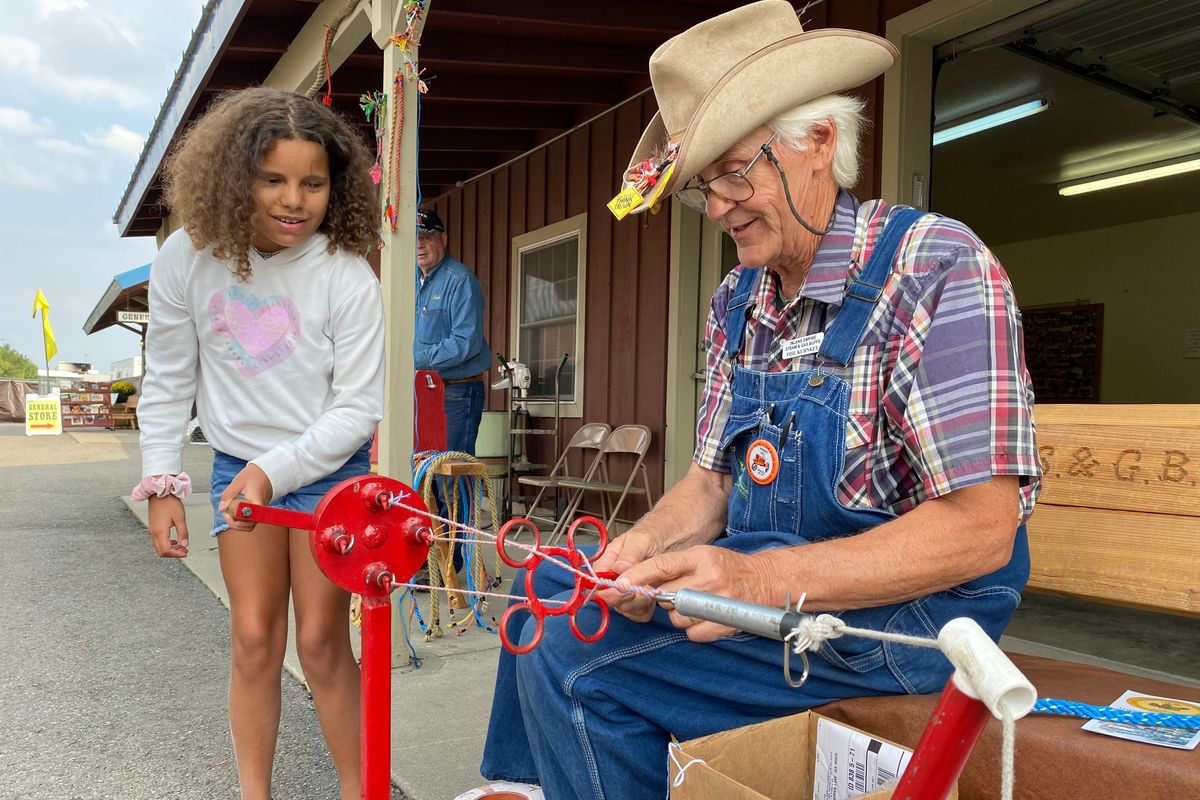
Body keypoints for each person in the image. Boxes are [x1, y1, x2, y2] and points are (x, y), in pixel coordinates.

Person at [466, 3, 1042, 799]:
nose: (722, 204)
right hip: (778, 582)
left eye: (738, 170)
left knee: (572, 659)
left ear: (821, 140)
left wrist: (758, 585)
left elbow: (981, 531)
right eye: (706, 186)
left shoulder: (938, 267)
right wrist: (634, 555)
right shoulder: (740, 298)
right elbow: (711, 483)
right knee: (553, 600)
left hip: (912, 622)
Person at [131, 87, 384, 800]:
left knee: (322, 642)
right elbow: (170, 379)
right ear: (232, 175)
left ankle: (358, 791)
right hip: (239, 466)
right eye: (273, 179)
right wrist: (161, 484)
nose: (294, 200)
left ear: (335, 188)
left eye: (313, 182)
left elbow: (359, 408)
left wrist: (277, 471)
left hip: (328, 469)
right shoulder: (186, 256)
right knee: (252, 637)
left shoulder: (345, 273)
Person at [414, 208, 491, 455]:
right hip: (425, 391)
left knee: (453, 473)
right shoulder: (412, 281)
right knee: (425, 470)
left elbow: (466, 341)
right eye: (415, 238)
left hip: (458, 391)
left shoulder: (460, 280)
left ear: (443, 240)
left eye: (426, 237)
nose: (419, 245)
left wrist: (417, 360)